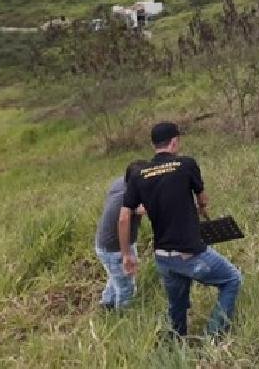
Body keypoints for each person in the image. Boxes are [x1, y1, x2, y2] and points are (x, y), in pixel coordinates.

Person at [118, 122, 242, 337]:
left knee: (177, 306)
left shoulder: (139, 175)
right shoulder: (186, 164)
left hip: (164, 258)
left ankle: (176, 342)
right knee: (231, 280)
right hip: (190, 253)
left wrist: (127, 254)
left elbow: (123, 217)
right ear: (174, 141)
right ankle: (214, 335)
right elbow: (202, 198)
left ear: (154, 145)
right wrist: (202, 208)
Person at [95, 160, 149, 310]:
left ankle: (107, 304)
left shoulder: (121, 183)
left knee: (116, 277)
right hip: (115, 249)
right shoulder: (125, 199)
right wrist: (126, 255)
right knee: (126, 288)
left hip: (105, 244)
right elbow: (124, 219)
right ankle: (124, 317)